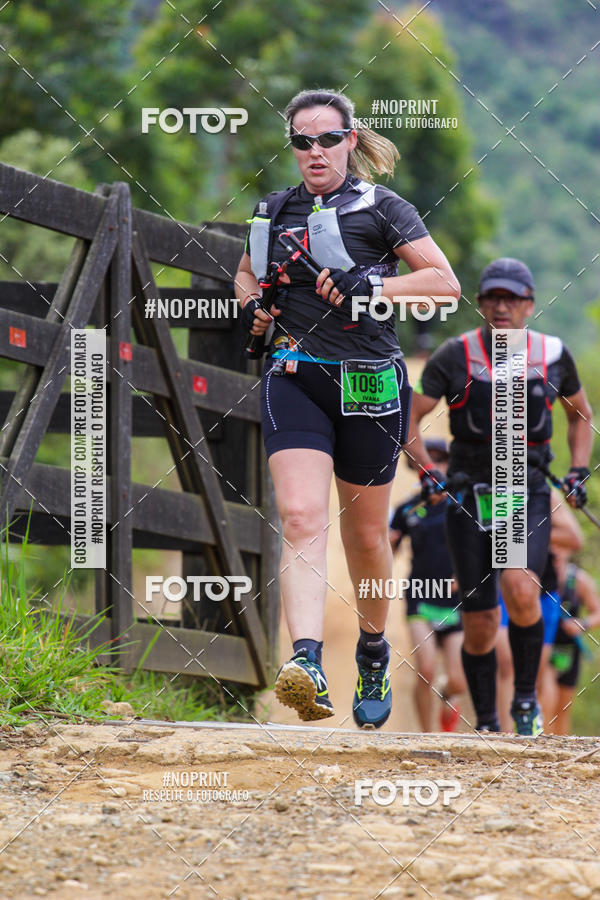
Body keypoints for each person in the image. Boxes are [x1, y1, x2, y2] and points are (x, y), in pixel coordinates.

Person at [234, 88, 460, 728]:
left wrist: (374, 283)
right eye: (301, 141)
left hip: (367, 383)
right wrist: (253, 303)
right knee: (301, 514)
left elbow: (444, 284)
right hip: (295, 376)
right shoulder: (273, 209)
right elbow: (244, 273)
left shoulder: (384, 208)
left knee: (365, 537)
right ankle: (305, 661)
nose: (313, 152)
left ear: (351, 140)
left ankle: (371, 649)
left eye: (326, 139)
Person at [407, 257, 593, 735]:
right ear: (481, 303)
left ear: (529, 305)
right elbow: (409, 415)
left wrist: (576, 470)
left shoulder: (552, 354)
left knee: (520, 584)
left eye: (511, 298)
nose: (501, 306)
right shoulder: (454, 355)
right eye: (492, 297)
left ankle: (526, 700)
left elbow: (579, 415)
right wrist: (427, 469)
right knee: (482, 622)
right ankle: (488, 722)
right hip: (468, 491)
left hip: (524, 487)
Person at [389, 438, 466, 732]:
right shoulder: (407, 509)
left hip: (455, 601)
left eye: (441, 461)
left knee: (458, 679)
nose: (436, 468)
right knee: (426, 669)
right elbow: (387, 553)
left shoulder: (462, 506)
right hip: (420, 597)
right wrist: (389, 545)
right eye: (428, 462)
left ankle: (449, 696)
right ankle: (426, 736)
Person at [496, 491, 583, 731]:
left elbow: (575, 539)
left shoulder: (547, 494)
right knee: (507, 663)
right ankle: (502, 736)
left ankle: (534, 734)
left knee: (536, 670)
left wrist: (534, 533)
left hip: (544, 591)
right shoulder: (486, 482)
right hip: (504, 587)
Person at [546, 554, 600, 734]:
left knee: (562, 708)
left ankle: (561, 751)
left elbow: (597, 612)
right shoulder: (538, 575)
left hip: (568, 650)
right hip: (543, 647)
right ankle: (541, 745)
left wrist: (582, 624)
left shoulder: (578, 580)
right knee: (545, 700)